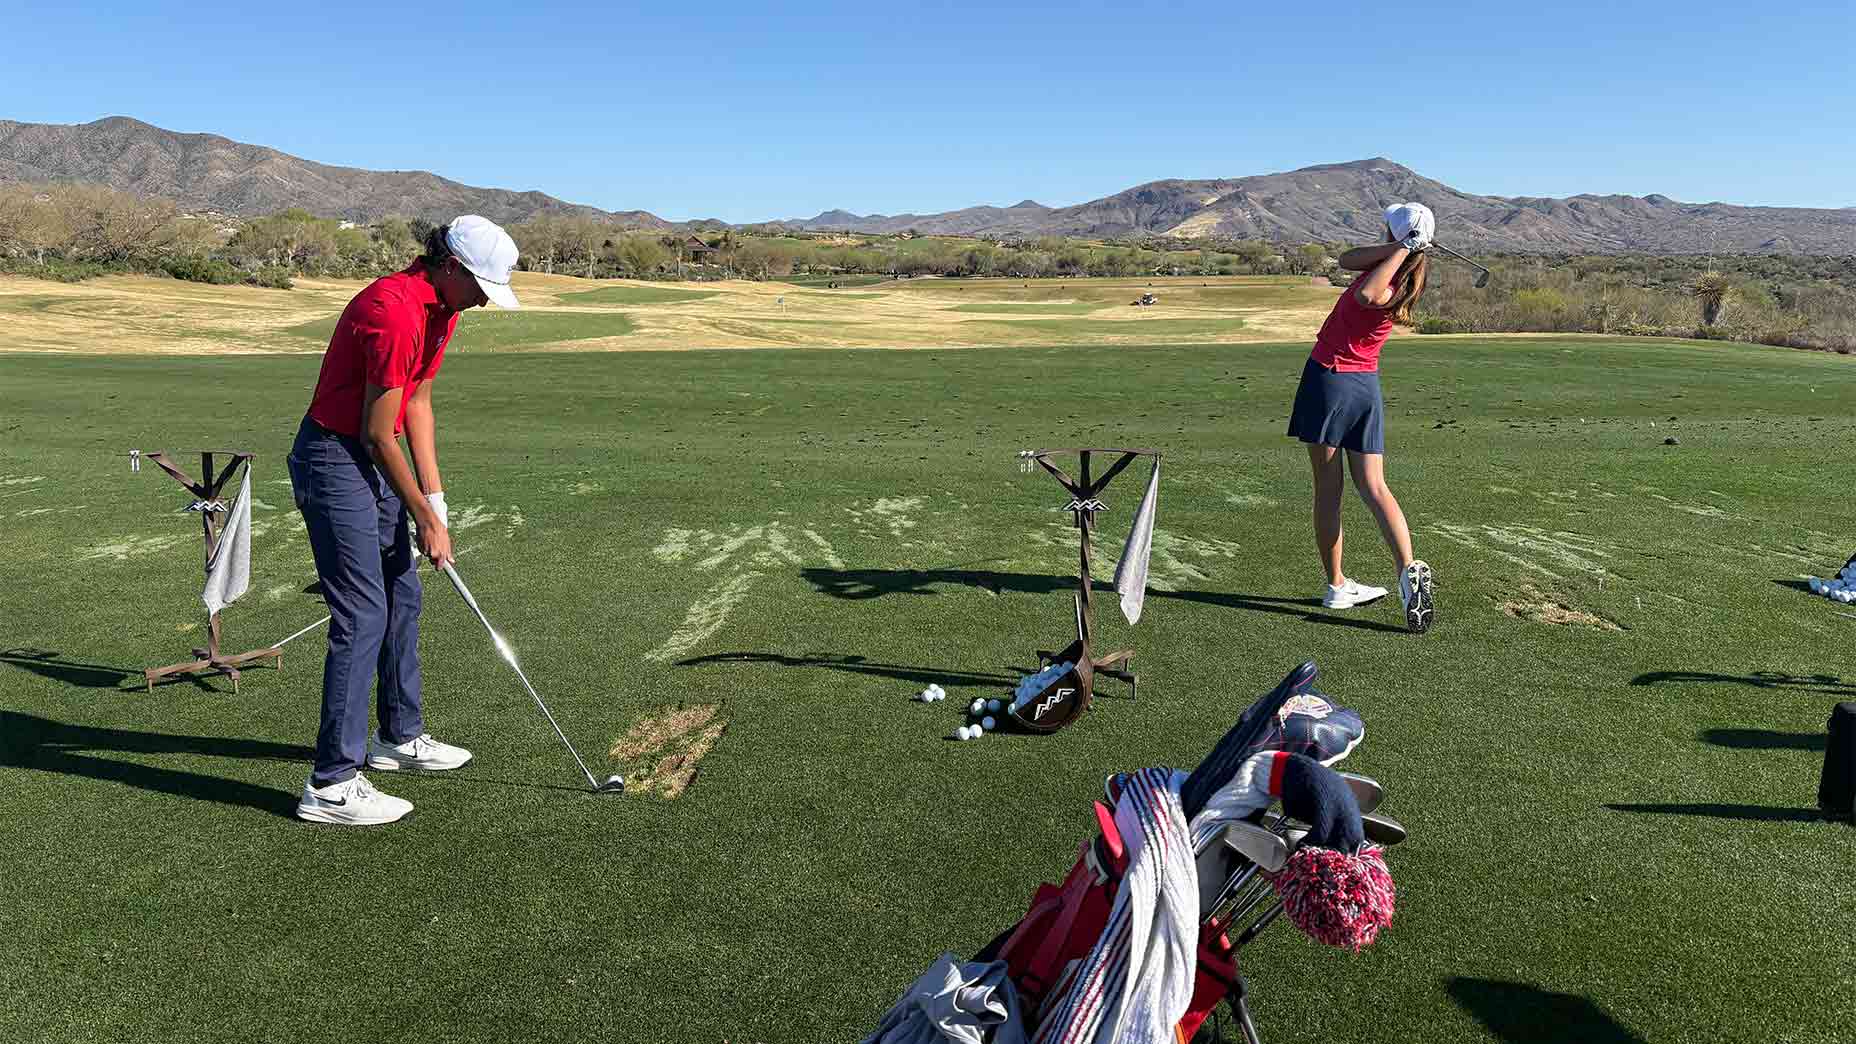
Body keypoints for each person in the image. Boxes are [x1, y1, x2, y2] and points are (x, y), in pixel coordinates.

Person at [287, 215, 520, 825]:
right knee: (361, 612)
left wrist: (435, 500)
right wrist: (420, 510)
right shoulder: (392, 311)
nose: (482, 302)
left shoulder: (442, 311)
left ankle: (398, 735)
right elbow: (372, 430)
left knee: (403, 593)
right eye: (480, 288)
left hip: (373, 452)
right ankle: (331, 783)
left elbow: (416, 402)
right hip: (336, 457)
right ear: (450, 267)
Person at [1285, 202, 1436, 634]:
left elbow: (1368, 293)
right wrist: (1405, 246)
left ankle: (1336, 585)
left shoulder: (1385, 284)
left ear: (1394, 236)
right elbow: (1346, 259)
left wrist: (1400, 247)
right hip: (1364, 386)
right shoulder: (1401, 270)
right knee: (1373, 485)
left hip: (1330, 382)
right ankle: (1407, 570)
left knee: (1329, 490)